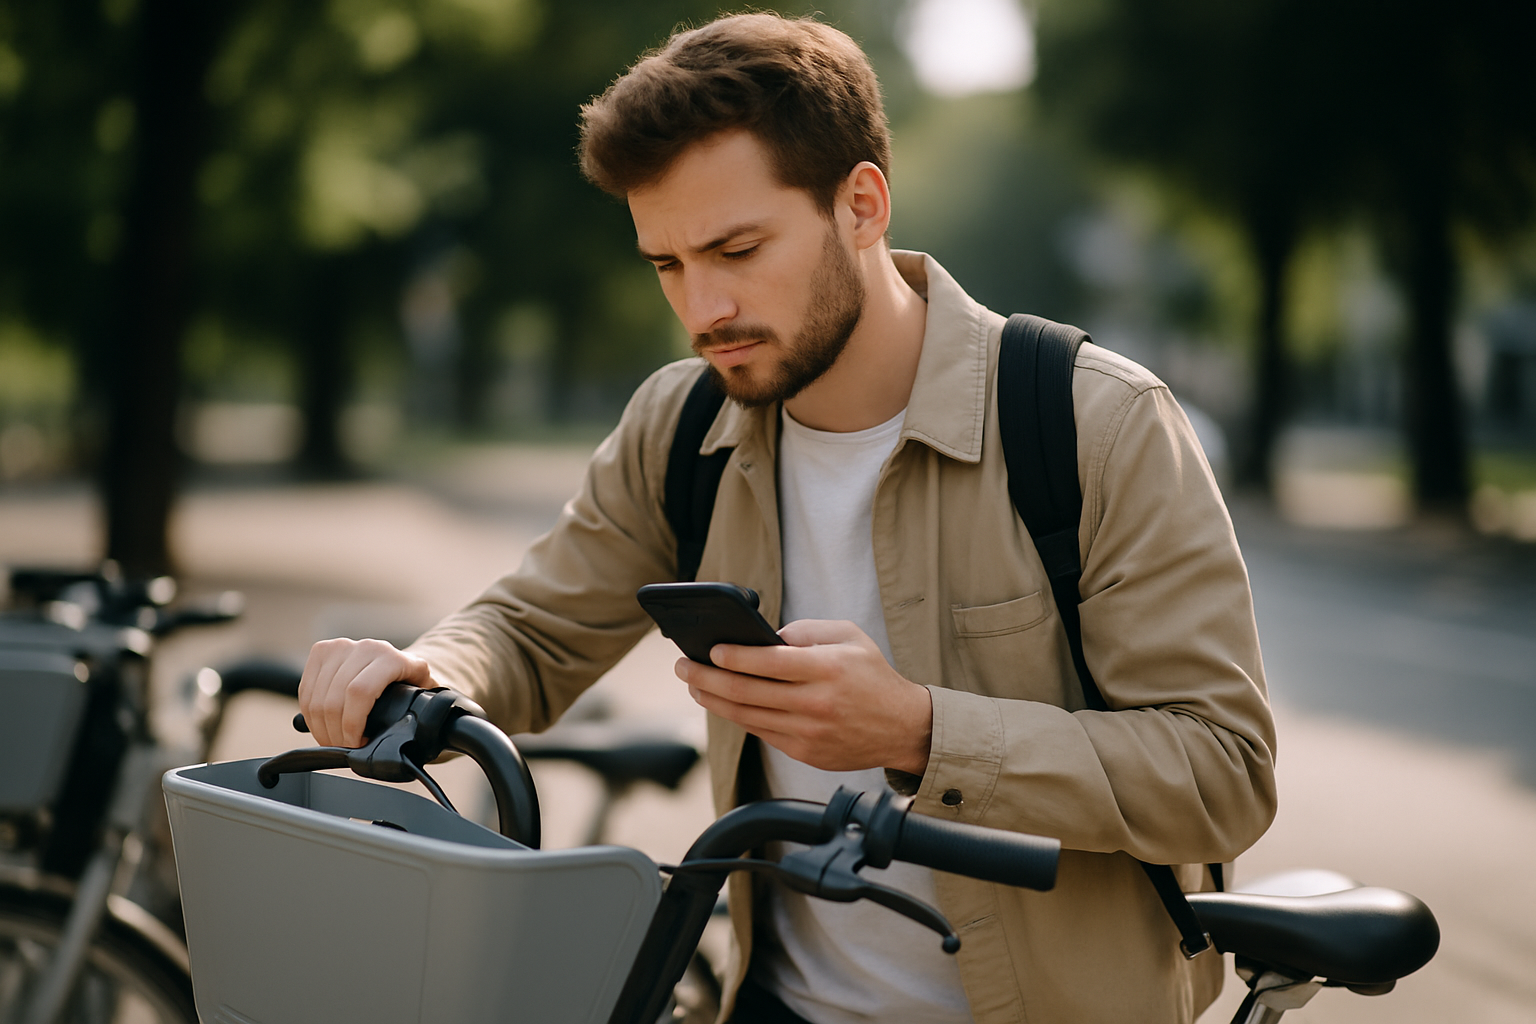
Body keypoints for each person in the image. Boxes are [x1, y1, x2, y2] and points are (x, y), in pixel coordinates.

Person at [297, 12, 1277, 1023]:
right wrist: (427, 668)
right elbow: (533, 627)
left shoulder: (1095, 423)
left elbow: (1223, 771)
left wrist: (919, 729)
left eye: (736, 247)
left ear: (861, 204)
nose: (703, 308)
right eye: (668, 264)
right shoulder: (679, 424)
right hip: (775, 1004)